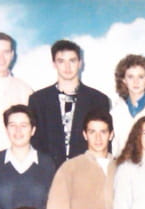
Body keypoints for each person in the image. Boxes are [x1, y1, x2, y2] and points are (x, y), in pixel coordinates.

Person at [46, 110, 116, 209]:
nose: (98, 138)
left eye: (103, 132)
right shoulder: (70, 168)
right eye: (92, 132)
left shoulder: (121, 168)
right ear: (85, 135)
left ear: (111, 135)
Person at [28, 39, 111, 167]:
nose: (67, 67)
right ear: (54, 64)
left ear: (80, 63)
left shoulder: (98, 100)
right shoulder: (38, 100)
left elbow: (105, 144)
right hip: (48, 173)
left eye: (72, 61)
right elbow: (34, 142)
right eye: (61, 61)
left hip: (87, 170)